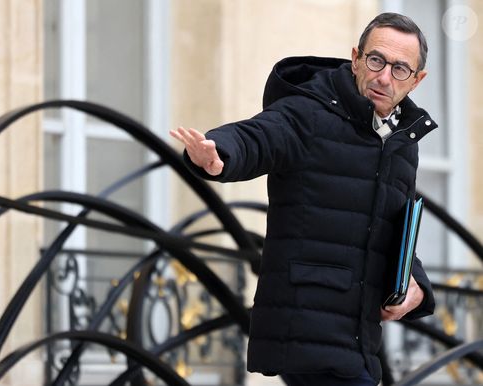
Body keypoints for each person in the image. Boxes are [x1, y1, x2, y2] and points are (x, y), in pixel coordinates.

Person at [170, 12, 436, 386]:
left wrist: (417, 287)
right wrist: (218, 156)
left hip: (357, 340)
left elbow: (394, 230)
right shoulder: (308, 112)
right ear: (356, 57)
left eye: (400, 69)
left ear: (417, 80)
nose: (383, 76)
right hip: (305, 329)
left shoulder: (401, 144)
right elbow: (256, 136)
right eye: (376, 60)